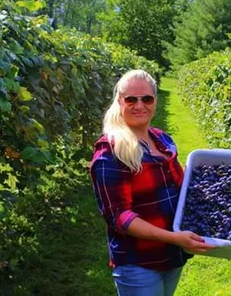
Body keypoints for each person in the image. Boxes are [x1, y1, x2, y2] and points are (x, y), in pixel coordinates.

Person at [90, 69, 214, 296]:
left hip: (173, 254)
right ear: (120, 101)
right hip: (139, 261)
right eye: (131, 99)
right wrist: (173, 237)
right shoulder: (111, 151)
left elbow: (179, 186)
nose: (140, 105)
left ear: (155, 101)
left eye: (146, 98)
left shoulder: (162, 139)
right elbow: (119, 217)